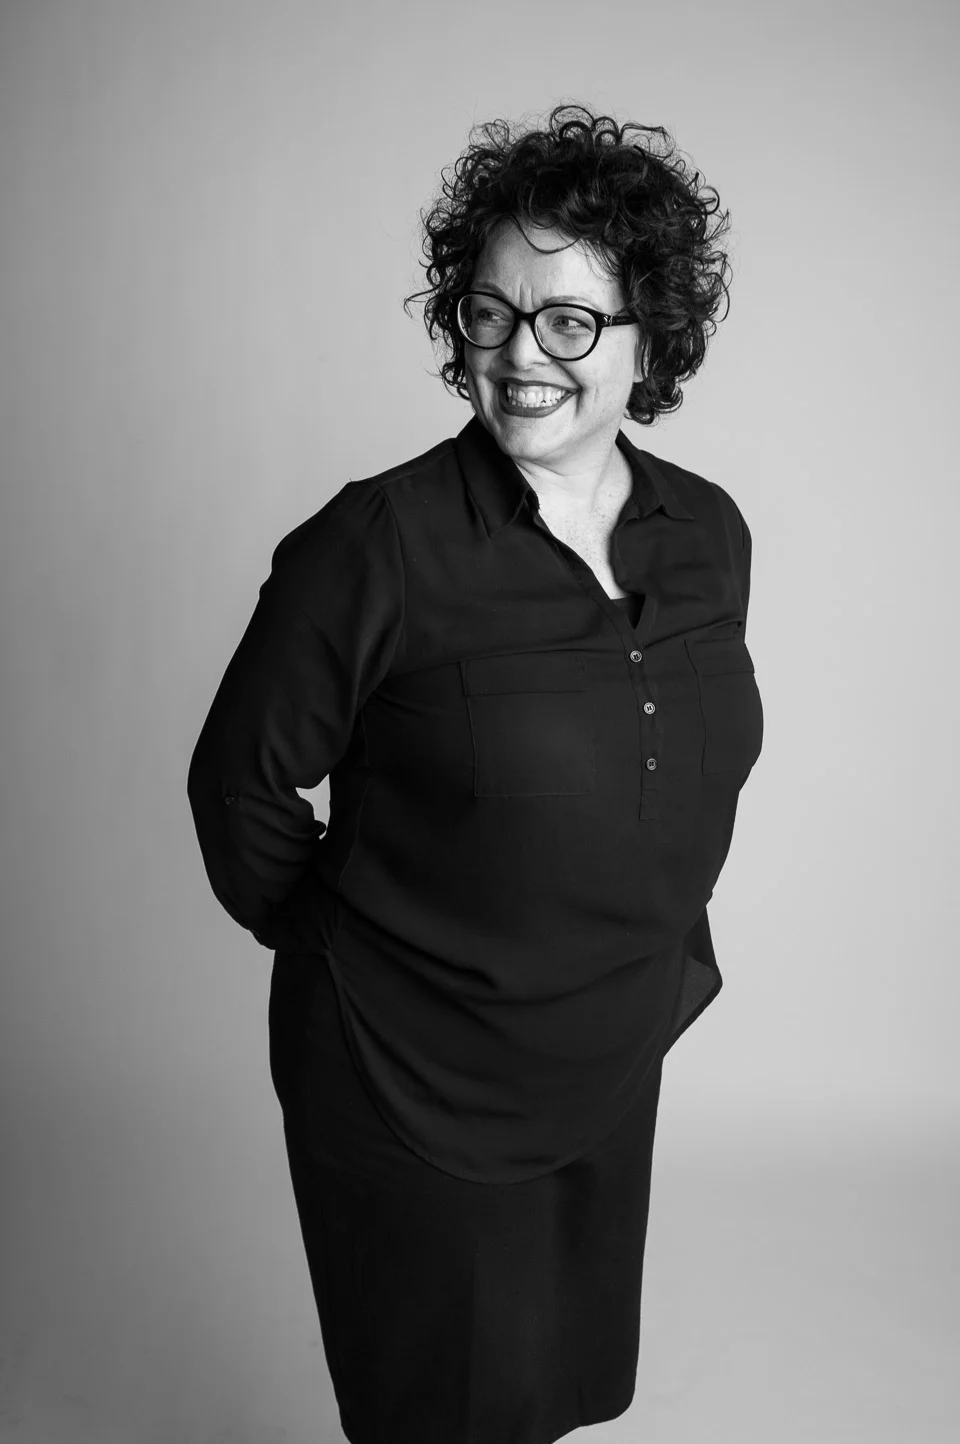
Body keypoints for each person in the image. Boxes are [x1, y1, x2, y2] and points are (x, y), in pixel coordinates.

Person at [187, 102, 763, 1444]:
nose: (519, 355)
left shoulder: (707, 533)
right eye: (490, 313)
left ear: (651, 337)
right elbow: (239, 789)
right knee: (443, 1410)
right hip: (412, 1070)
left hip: (608, 1052)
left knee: (551, 1389)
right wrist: (362, 955)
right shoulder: (375, 544)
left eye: (568, 321)